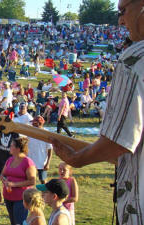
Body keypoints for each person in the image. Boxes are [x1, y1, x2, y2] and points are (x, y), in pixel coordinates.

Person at [51, 2, 144, 224]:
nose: (121, 21)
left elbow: (119, 142)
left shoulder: (135, 59)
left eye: (122, 12)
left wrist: (77, 159)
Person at [0, 137, 37, 225]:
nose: (10, 147)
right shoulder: (10, 160)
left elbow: (32, 181)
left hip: (21, 198)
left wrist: (14, 184)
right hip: (8, 196)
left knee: (19, 222)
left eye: (12, 145)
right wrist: (4, 180)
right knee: (13, 222)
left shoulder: (27, 162)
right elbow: (2, 174)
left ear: (18, 149)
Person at [28, 116, 53, 184]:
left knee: (43, 180)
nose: (32, 124)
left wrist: (48, 163)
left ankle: (46, 193)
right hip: (30, 160)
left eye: (34, 123)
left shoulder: (46, 134)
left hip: (41, 162)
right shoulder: (30, 132)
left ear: (38, 124)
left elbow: (50, 149)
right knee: (30, 179)